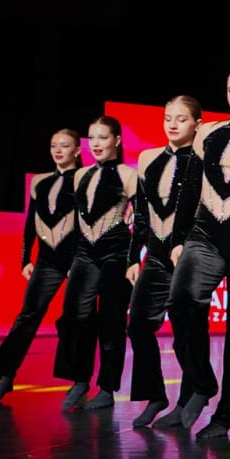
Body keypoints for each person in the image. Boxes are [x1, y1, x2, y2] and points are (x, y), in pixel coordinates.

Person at [156, 66, 230, 435]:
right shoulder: (208, 133)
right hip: (205, 234)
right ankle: (200, 384)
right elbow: (190, 188)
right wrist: (178, 239)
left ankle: (228, 417)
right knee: (180, 303)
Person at [0, 129, 81, 404]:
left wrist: (80, 260)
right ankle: (6, 375)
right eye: (53, 145)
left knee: (76, 319)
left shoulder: (84, 179)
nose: (58, 150)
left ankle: (79, 380)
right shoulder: (40, 181)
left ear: (77, 150)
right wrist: (26, 259)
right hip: (47, 260)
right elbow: (31, 222)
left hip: (77, 260)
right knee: (28, 316)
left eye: (64, 146)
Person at [124, 96, 203, 427]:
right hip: (156, 257)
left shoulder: (203, 160)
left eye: (181, 119)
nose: (172, 124)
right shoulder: (148, 158)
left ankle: (189, 399)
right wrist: (134, 257)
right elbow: (141, 214)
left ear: (197, 124)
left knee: (186, 330)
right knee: (138, 324)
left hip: (190, 256)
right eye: (168, 117)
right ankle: (155, 395)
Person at [54, 117, 138, 412]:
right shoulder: (80, 175)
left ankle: (107, 388)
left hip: (116, 252)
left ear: (117, 140)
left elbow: (143, 217)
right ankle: (79, 379)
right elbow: (75, 221)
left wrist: (134, 258)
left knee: (111, 321)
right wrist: (71, 258)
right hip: (84, 252)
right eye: (92, 138)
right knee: (74, 315)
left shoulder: (128, 174)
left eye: (103, 137)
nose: (96, 144)